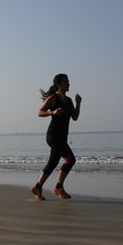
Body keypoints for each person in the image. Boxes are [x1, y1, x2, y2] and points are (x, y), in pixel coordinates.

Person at [31, 73, 82, 201]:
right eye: (66, 82)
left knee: (53, 163)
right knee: (70, 160)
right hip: (53, 136)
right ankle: (58, 187)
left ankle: (37, 187)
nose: (69, 84)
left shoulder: (69, 101)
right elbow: (40, 112)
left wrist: (78, 104)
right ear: (59, 84)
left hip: (62, 137)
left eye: (69, 82)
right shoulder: (53, 98)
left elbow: (75, 117)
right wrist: (53, 112)